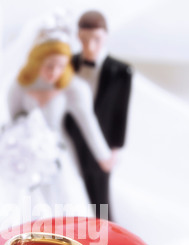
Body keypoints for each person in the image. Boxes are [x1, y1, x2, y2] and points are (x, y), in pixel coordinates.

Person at [0, 25, 115, 220]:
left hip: (58, 151)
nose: (54, 72)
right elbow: (13, 124)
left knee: (64, 194)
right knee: (33, 198)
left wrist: (103, 155)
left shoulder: (71, 88)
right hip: (30, 155)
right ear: (37, 62)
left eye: (60, 66)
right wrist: (18, 145)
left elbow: (88, 124)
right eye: (49, 65)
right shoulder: (20, 87)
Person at [65, 10, 133, 221]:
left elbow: (121, 113)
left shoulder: (121, 71)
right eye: (84, 39)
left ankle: (106, 237)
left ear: (105, 36)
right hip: (71, 139)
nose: (90, 46)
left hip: (102, 144)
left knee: (100, 197)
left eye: (96, 39)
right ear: (77, 36)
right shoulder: (68, 63)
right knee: (74, 193)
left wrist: (115, 148)